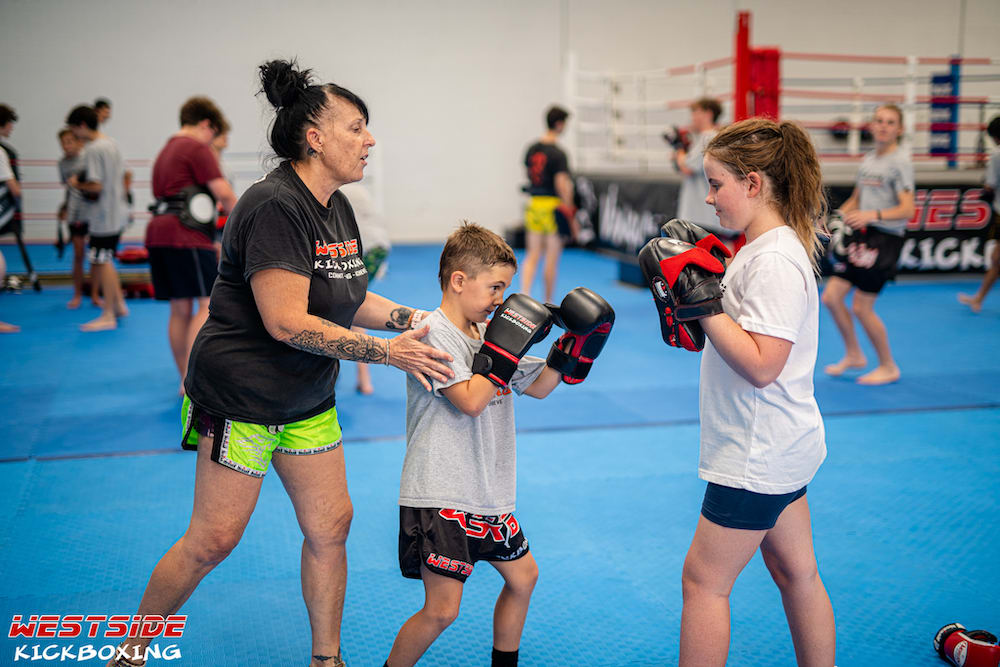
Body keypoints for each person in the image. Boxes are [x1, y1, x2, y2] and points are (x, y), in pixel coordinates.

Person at [105, 59, 453, 667]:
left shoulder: (336, 206)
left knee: (331, 526)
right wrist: (388, 354)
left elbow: (346, 294)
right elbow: (287, 320)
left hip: (307, 398)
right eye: (357, 127)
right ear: (315, 137)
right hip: (241, 396)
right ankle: (130, 652)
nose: (369, 140)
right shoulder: (274, 206)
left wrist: (412, 319)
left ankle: (326, 658)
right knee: (213, 540)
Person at [642, 118, 835, 666]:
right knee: (796, 573)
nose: (709, 197)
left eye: (717, 183)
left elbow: (761, 364)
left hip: (757, 451)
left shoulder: (773, 259)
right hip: (782, 444)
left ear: (754, 184)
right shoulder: (766, 247)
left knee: (703, 583)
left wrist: (702, 304)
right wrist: (717, 276)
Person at [385, 223, 614, 667]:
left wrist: (577, 344)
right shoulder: (434, 334)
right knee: (441, 611)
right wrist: (503, 352)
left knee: (523, 579)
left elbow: (543, 385)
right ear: (458, 280)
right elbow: (471, 400)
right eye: (495, 287)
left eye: (504, 288)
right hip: (443, 492)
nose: (499, 299)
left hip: (489, 493)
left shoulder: (485, 334)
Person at [145, 96, 238, 394]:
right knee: (207, 303)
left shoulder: (166, 150)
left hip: (160, 232)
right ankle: (192, 377)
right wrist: (247, 221)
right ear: (206, 125)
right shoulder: (197, 147)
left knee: (179, 308)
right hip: (185, 234)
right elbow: (222, 193)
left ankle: (183, 378)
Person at [821, 104, 914, 385]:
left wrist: (872, 215)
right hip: (861, 236)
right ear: (872, 126)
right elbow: (858, 199)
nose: (883, 126)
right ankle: (854, 355)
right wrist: (834, 219)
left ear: (899, 129)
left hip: (885, 239)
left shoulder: (901, 162)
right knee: (832, 297)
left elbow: (908, 209)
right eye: (879, 121)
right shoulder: (869, 159)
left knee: (862, 306)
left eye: (890, 122)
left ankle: (888, 365)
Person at [66, 104, 130, 331]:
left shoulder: (93, 149)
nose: (74, 135)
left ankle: (108, 315)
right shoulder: (111, 143)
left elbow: (95, 186)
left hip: (104, 215)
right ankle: (119, 306)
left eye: (74, 130)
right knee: (106, 259)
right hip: (117, 211)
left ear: (82, 126)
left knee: (103, 262)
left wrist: (76, 184)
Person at [520, 105, 579, 304]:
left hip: (534, 203)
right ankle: (547, 301)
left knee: (532, 254)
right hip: (553, 206)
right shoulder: (558, 153)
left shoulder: (531, 149)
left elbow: (528, 173)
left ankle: (524, 295)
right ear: (560, 124)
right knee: (551, 258)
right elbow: (562, 183)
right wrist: (570, 209)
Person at [341, 182, 392, 395]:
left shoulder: (334, 192)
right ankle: (364, 379)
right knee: (353, 307)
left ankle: (363, 378)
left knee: (349, 310)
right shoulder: (358, 190)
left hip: (360, 249)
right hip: (379, 248)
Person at [958, 115, 1000, 312]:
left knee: (997, 259)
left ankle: (979, 299)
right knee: (997, 260)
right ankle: (979, 298)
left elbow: (989, 186)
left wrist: (986, 189)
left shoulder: (998, 155)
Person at [57, 128, 101, 309]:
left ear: (78, 142)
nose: (67, 146)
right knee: (78, 254)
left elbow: (96, 183)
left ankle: (95, 294)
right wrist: (64, 207)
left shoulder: (87, 158)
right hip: (75, 214)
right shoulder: (62, 164)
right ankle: (77, 294)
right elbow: (69, 189)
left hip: (93, 212)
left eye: (70, 142)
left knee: (96, 256)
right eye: (63, 143)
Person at [674, 97, 723, 231]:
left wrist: (679, 148)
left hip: (702, 214)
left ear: (708, 114)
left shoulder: (709, 137)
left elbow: (687, 167)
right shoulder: (706, 137)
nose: (693, 117)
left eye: (696, 113)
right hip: (702, 213)